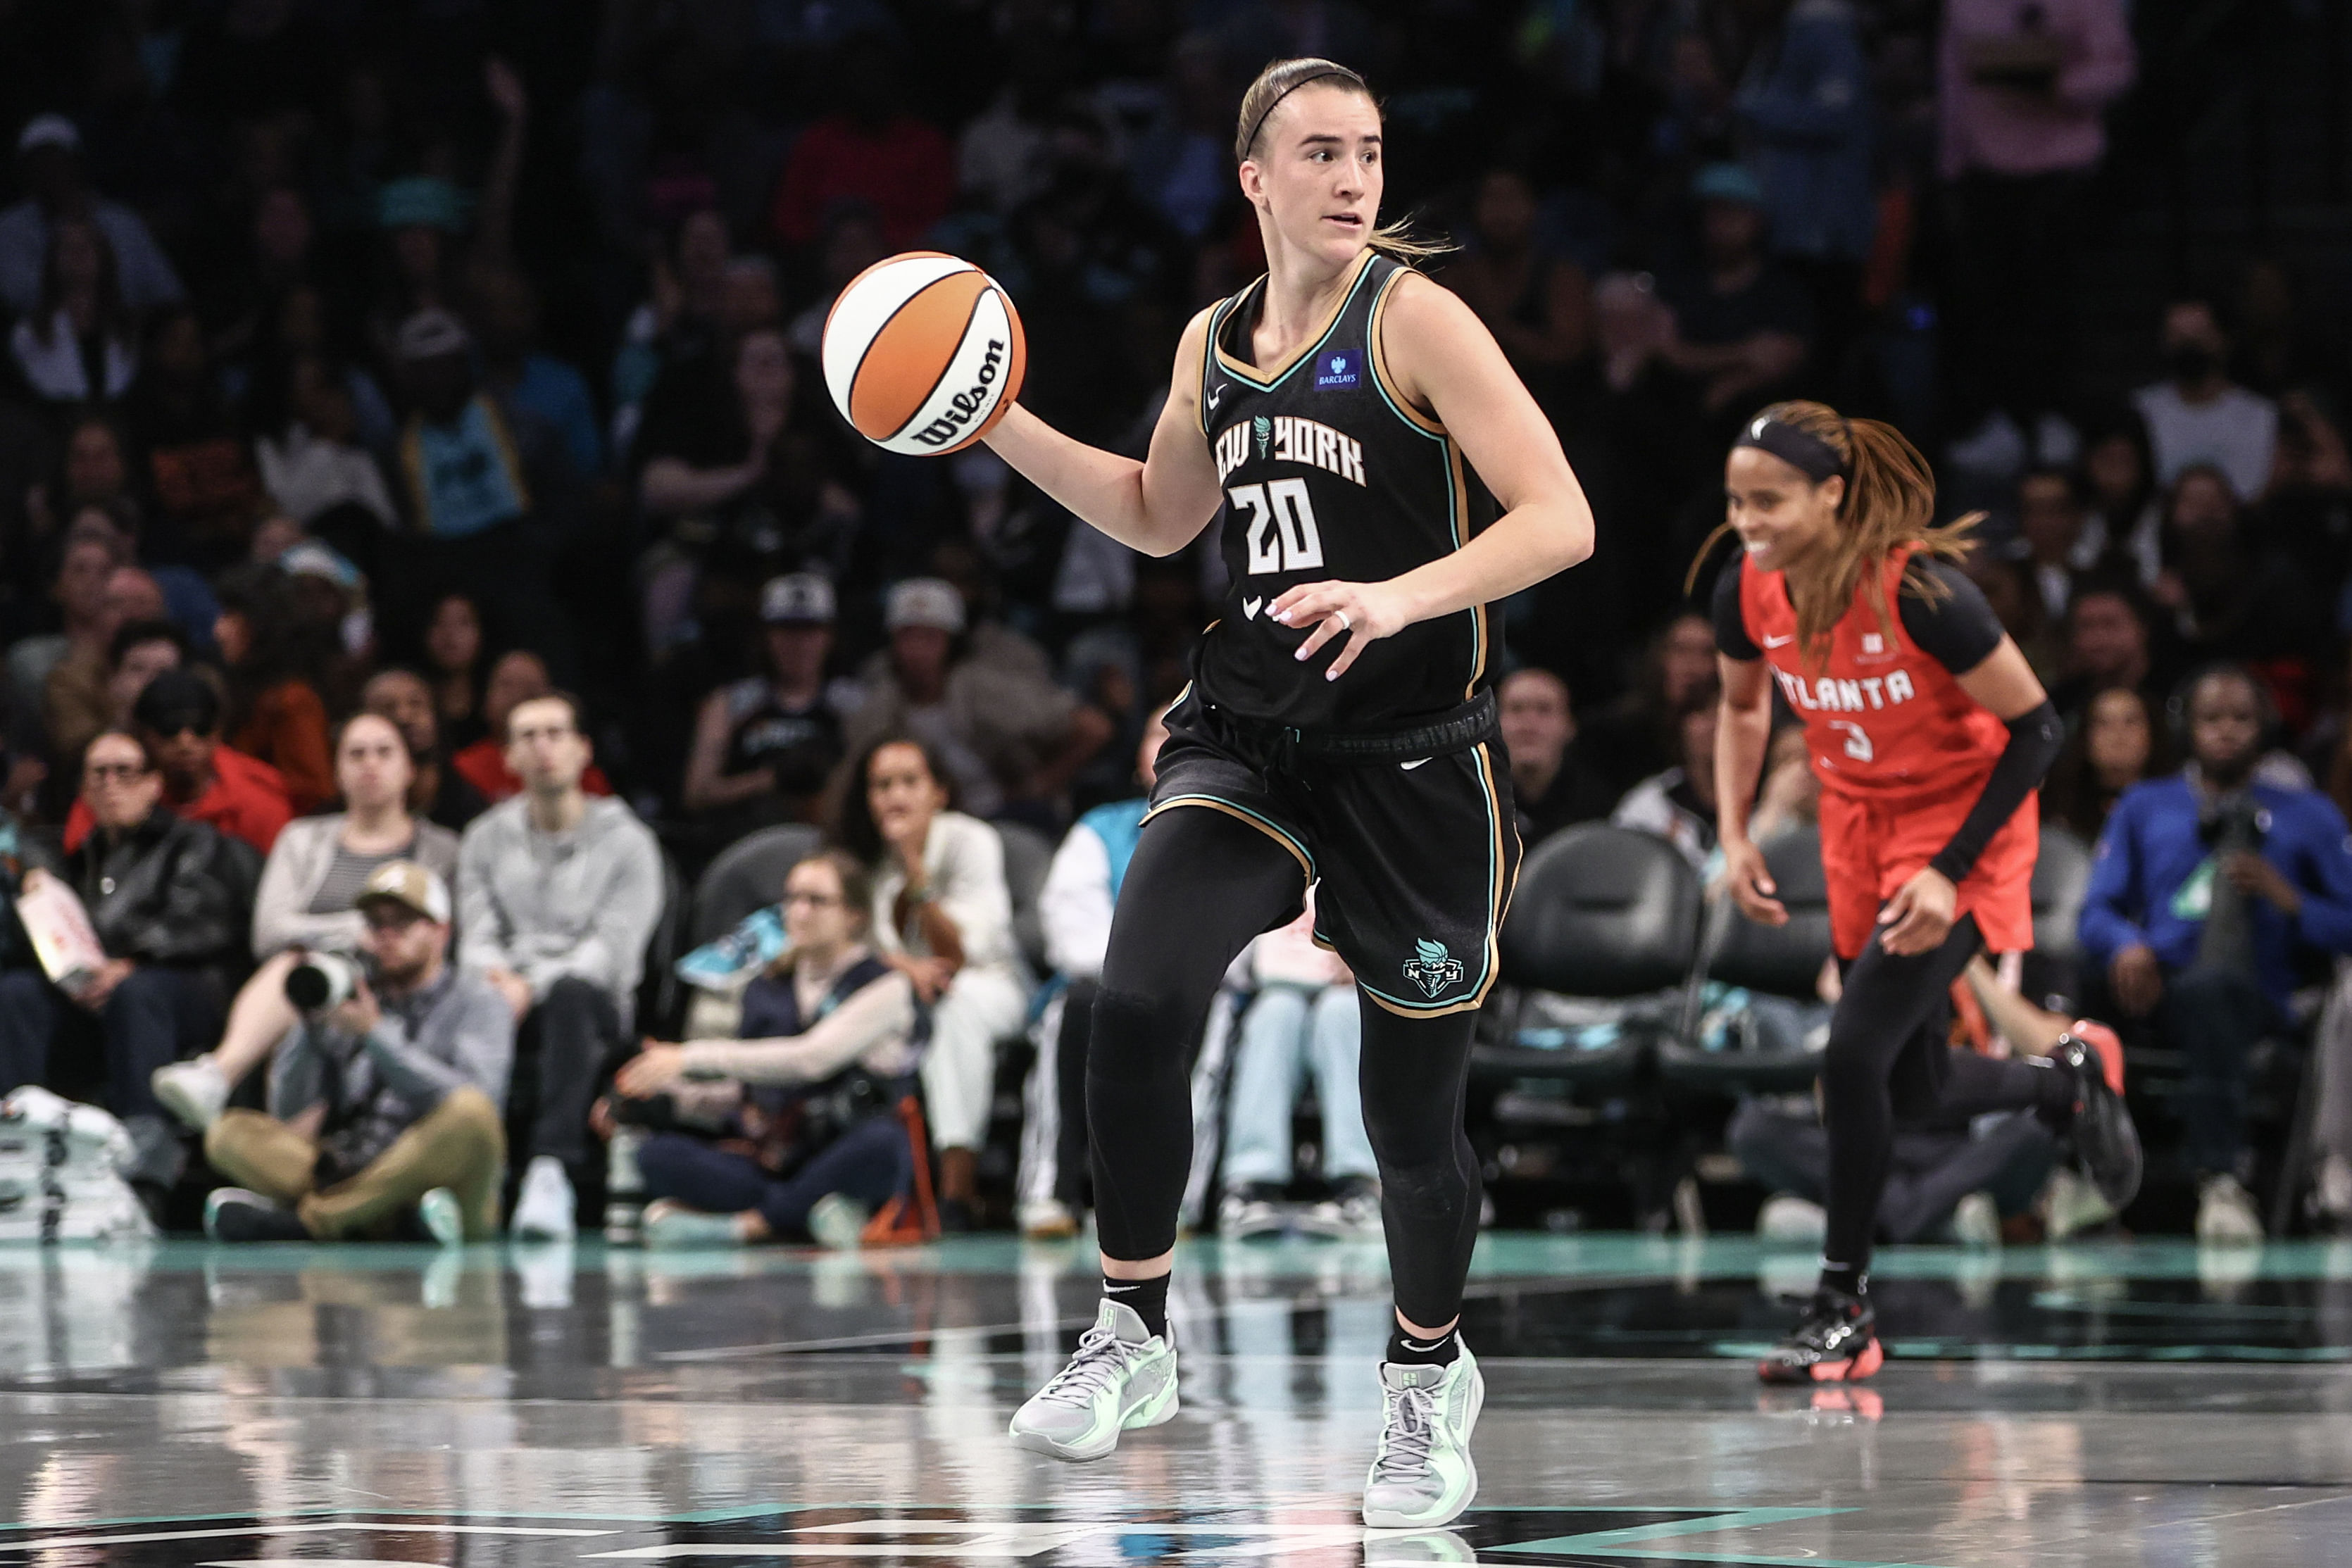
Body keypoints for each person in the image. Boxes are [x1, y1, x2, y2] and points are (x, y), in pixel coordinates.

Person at [980, 58, 1593, 1529]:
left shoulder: (1417, 318)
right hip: (1249, 733)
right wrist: (992, 420)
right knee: (1132, 1001)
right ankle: (1129, 1330)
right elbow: (1152, 511)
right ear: (1251, 179)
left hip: (1415, 763)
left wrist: (1398, 598)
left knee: (1409, 1126)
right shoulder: (1213, 340)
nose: (1351, 178)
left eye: (1369, 153)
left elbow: (1561, 517)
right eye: (1318, 153)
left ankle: (1424, 1379)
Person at [1709, 399, 2137, 1383]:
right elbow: (1739, 706)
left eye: (1769, 500)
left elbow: (2037, 728)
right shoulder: (1747, 587)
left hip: (1960, 831)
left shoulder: (1923, 592)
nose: (1748, 521)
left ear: (1832, 494)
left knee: (1853, 1055)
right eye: (1736, 502)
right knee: (1917, 1083)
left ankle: (1842, 1305)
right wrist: (1734, 832)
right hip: (1857, 825)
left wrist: (1949, 872)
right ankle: (2068, 1078)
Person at [2079, 665, 2352, 1243]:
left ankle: (2221, 1178)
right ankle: (2070, 1176)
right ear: (2186, 727)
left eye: (2241, 718)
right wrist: (2127, 945)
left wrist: (2290, 899)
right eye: (2211, 718)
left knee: (2215, 991)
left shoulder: (2308, 814)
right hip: (2157, 986)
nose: (2226, 730)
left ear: (2266, 726)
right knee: (2073, 978)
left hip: (2264, 996)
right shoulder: (2145, 805)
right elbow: (2096, 910)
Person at [148, 713, 461, 1136]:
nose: (370, 764)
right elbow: (270, 932)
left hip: (398, 977)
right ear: (338, 772)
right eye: (356, 754)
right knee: (300, 974)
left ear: (409, 769)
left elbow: (443, 932)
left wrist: (360, 939)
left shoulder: (443, 849)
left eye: (384, 752)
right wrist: (352, 932)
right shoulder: (301, 838)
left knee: (300, 969)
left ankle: (222, 1076)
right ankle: (233, 1096)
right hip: (311, 982)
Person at [610, 851, 919, 1248]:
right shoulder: (765, 987)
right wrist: (665, 1097)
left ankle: (750, 1226)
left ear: (854, 915)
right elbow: (745, 1091)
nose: (799, 912)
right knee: (657, 1154)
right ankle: (815, 1216)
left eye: (816, 901)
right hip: (776, 1158)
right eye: (791, 899)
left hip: (842, 1146)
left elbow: (810, 1059)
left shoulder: (885, 986)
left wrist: (688, 1055)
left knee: (884, 1143)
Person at [0, 729, 253, 1205]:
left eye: (126, 771)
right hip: (100, 993)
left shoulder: (192, 842)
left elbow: (204, 922)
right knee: (16, 994)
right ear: (85, 789)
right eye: (99, 773)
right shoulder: (81, 858)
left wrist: (132, 961)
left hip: (183, 991)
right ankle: (17, 1144)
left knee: (138, 993)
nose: (111, 783)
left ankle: (147, 1172)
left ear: (154, 783)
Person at [200, 861, 511, 1244]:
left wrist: (374, 1034)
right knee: (227, 1132)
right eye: (376, 924)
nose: (386, 936)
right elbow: (288, 1110)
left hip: (445, 1175)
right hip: (360, 1167)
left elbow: (478, 1104)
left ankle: (313, 1222)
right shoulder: (357, 997)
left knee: (470, 1113)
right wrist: (308, 1025)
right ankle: (385, 1219)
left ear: (441, 932)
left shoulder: (480, 1000)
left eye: (401, 924)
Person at [457, 691, 664, 1241]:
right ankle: (468, 1171)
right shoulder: (483, 839)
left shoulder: (629, 843)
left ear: (583, 750)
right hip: (503, 992)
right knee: (460, 996)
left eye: (555, 733)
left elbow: (612, 956)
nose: (543, 747)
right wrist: (500, 980)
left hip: (593, 1006)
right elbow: (475, 939)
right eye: (528, 736)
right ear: (508, 757)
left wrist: (530, 984)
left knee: (572, 992)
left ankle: (550, 1169)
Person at [836, 736, 1027, 1230]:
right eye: (882, 785)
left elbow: (957, 956)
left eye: (909, 782)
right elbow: (849, 950)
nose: (895, 796)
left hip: (988, 985)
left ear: (939, 792)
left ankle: (955, 1193)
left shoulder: (970, 841)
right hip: (901, 994)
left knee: (952, 1007)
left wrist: (916, 871)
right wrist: (902, 967)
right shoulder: (865, 862)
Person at [1019, 707, 1170, 1241]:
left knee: (1213, 1011)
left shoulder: (1237, 833)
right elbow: (1071, 932)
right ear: (1137, 757)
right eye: (1158, 731)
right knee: (1074, 1003)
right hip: (1108, 987)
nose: (1173, 739)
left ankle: (1174, 1202)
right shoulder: (1098, 830)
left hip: (1196, 994)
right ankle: (1049, 1189)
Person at [840, 578, 1112, 823]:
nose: (917, 650)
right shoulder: (877, 707)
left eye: (930, 637)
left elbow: (1093, 727)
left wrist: (1038, 785)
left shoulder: (987, 691)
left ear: (952, 642)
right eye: (908, 636)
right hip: (918, 825)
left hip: (1004, 817)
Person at [1218, 890, 1382, 1241]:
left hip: (1360, 993)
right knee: (1275, 1013)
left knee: (1341, 1014)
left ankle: (1360, 1187)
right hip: (1270, 991)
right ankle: (1250, 1184)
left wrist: (1366, 957)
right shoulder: (1264, 854)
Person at [63, 670, 294, 857]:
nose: (186, 742)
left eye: (200, 729)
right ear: (144, 736)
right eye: (169, 729)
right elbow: (77, 863)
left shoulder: (258, 801)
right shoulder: (110, 789)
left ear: (218, 734)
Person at [680, 573, 844, 836]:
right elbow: (696, 794)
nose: (798, 644)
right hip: (745, 842)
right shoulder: (731, 703)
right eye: (786, 630)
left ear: (829, 636)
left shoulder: (852, 704)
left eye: (809, 630)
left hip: (825, 840)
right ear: (766, 636)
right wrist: (770, 779)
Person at [0, 115, 182, 318]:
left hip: (127, 338)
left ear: (77, 163)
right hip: (42, 342)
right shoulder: (9, 229)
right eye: (40, 163)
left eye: (58, 159)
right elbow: (18, 295)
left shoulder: (122, 222)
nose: (50, 171)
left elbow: (167, 293)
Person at [213, 564, 337, 813]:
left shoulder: (292, 700)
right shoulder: (246, 691)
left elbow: (314, 792)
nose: (218, 630)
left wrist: (241, 777)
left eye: (230, 614)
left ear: (261, 623)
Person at [2132, 296, 2279, 503]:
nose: (2188, 346)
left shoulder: (2261, 415)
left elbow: (2258, 493)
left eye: (2198, 336)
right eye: (2179, 337)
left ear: (2224, 339)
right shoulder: (2140, 410)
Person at [449, 650, 615, 803]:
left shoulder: (583, 775)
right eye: (507, 685)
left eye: (530, 689)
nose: (517, 697)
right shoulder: (463, 771)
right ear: (485, 700)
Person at [361, 667, 490, 832]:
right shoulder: (336, 821)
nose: (404, 716)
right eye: (388, 707)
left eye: (416, 704)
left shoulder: (472, 809)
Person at [1495, 666, 1613, 846]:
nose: (1529, 725)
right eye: (1516, 709)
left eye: (1544, 710)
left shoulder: (1598, 808)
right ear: (1493, 724)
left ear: (1570, 726)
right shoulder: (1471, 803)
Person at [2041, 686, 2170, 841]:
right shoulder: (2059, 809)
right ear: (2085, 737)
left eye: (2131, 722)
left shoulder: (2177, 805)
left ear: (2152, 732)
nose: (2118, 735)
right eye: (2103, 723)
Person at [1612, 696, 1720, 870]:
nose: (1714, 726)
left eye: (1723, 714)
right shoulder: (1649, 805)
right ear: (1680, 727)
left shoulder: (1767, 803)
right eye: (1702, 714)